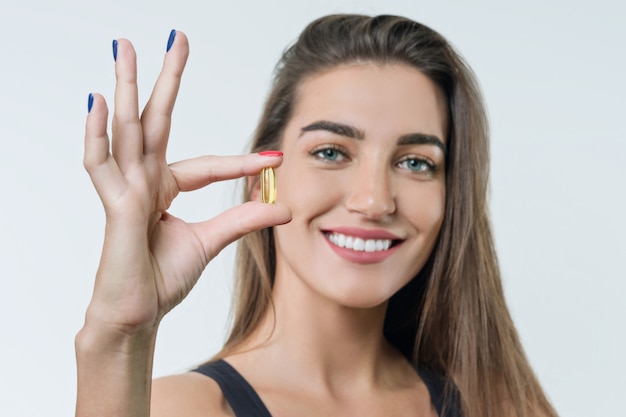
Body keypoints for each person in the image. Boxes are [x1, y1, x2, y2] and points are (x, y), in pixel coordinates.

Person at [76, 14, 559, 417]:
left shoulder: (501, 406)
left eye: (416, 162)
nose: (374, 202)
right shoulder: (180, 409)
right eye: (331, 152)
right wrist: (119, 334)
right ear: (262, 177)